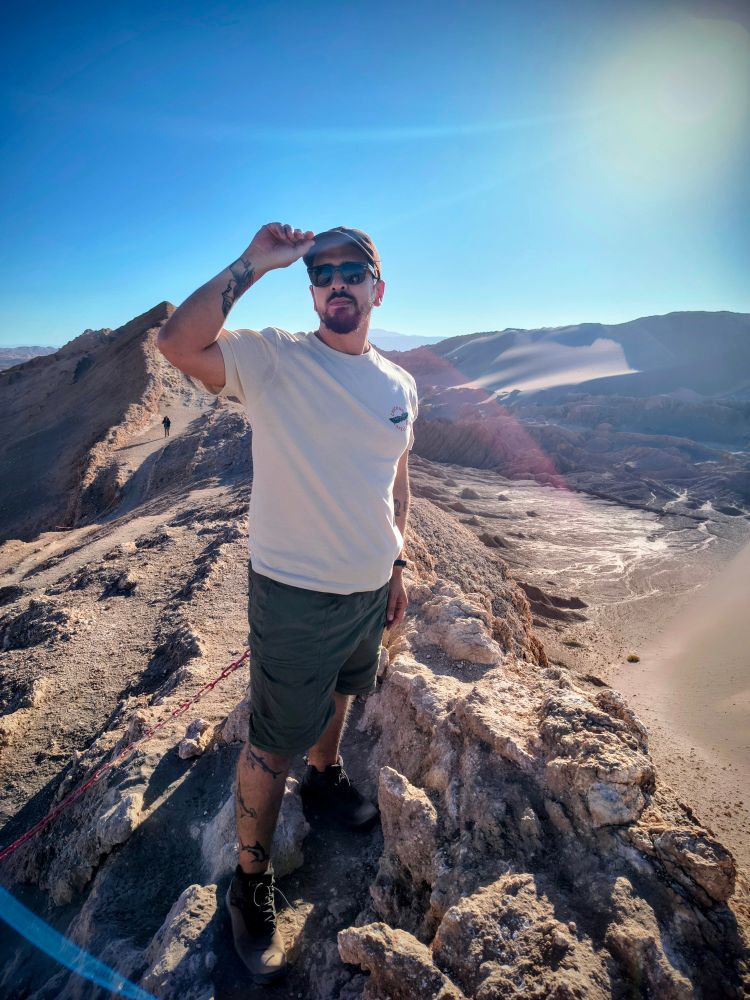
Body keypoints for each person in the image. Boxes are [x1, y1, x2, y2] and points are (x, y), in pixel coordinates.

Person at [156, 223, 418, 985]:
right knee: (271, 744)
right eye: (322, 272)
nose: (337, 282)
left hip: (368, 588)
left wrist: (396, 562)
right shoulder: (275, 359)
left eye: (352, 270)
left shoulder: (399, 384)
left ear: (377, 288)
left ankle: (326, 774)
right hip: (294, 593)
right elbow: (178, 343)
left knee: (342, 690)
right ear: (311, 291)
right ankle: (249, 879)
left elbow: (397, 479)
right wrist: (254, 264)